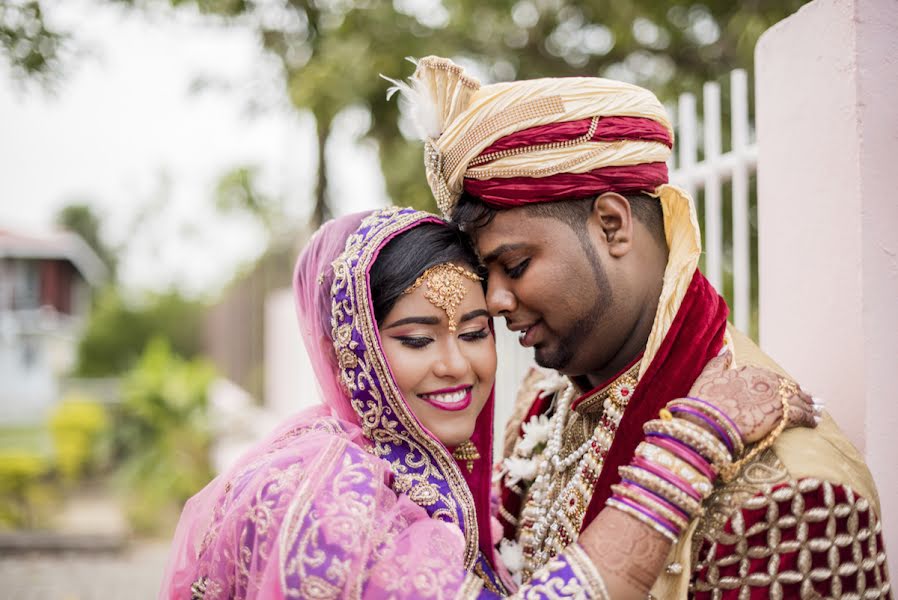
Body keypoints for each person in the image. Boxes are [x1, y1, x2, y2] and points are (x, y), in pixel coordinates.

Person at [394, 55, 892, 598]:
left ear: (612, 225)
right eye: (484, 274)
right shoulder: (543, 403)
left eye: (514, 266)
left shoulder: (791, 493)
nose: (494, 301)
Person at [160, 206, 815, 599]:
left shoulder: (399, 461)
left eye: (476, 333)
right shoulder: (330, 501)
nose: (458, 364)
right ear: (349, 350)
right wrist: (687, 448)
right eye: (417, 339)